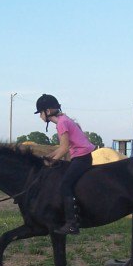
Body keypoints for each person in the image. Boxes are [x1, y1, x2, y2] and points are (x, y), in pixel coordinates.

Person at [35, 94, 96, 235]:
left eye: (40, 113)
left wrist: (51, 163)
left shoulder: (62, 123)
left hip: (82, 158)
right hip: (81, 157)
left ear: (48, 112)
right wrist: (47, 157)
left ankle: (71, 223)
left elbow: (64, 149)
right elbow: (61, 147)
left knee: (65, 184)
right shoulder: (64, 120)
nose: (40, 116)